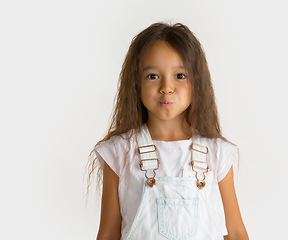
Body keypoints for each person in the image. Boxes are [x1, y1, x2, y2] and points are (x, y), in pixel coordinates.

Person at [88, 22, 249, 240]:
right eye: (153, 76)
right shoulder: (120, 152)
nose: (167, 87)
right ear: (136, 83)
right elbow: (108, 234)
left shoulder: (217, 152)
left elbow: (236, 232)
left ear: (197, 82)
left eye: (180, 76)